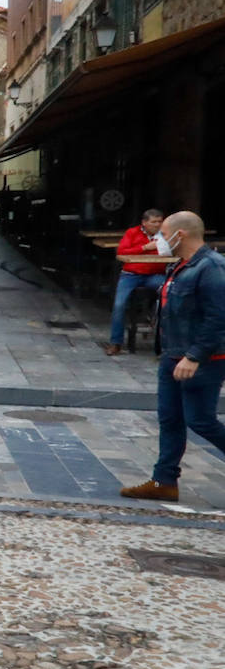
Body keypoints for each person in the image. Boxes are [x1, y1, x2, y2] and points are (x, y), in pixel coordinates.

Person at [120, 210, 225, 503]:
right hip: (172, 355)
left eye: (164, 235)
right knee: (170, 419)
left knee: (201, 420)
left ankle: (164, 479)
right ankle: (164, 481)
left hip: (201, 359)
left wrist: (194, 356)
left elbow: (218, 318)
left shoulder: (212, 268)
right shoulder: (179, 266)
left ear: (182, 235)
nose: (160, 240)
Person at [106, 208, 167, 356]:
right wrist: (145, 247)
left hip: (155, 274)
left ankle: (164, 337)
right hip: (131, 275)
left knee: (171, 292)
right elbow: (121, 252)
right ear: (144, 223)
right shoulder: (132, 233)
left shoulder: (165, 235)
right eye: (153, 222)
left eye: (160, 222)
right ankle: (116, 342)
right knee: (119, 304)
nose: (157, 225)